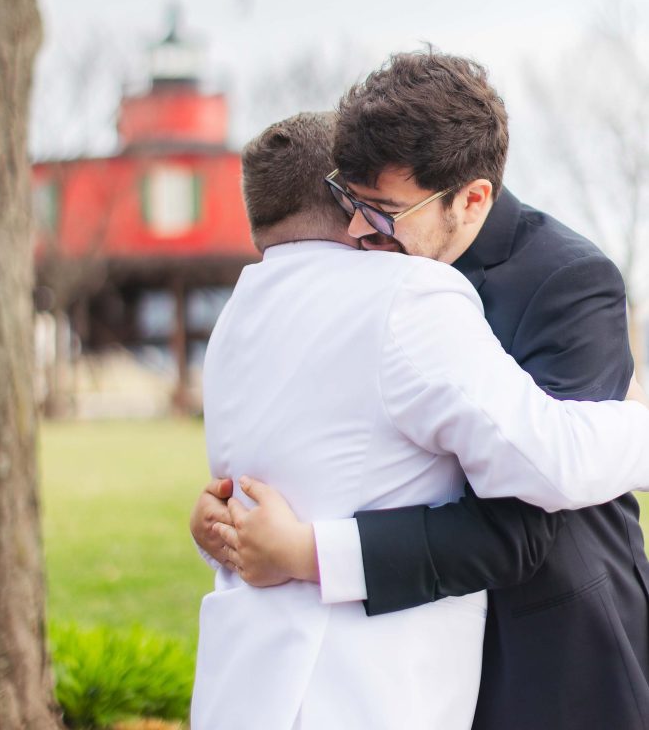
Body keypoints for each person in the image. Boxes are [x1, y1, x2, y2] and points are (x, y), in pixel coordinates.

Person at [195, 52, 649, 730]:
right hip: (401, 651)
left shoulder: (568, 279)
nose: (353, 230)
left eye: (379, 212)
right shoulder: (363, 271)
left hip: (546, 647)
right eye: (348, 201)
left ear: (471, 200)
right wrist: (229, 518)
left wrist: (303, 550)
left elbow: (521, 519)